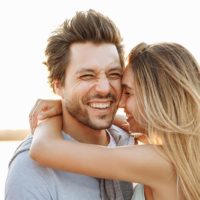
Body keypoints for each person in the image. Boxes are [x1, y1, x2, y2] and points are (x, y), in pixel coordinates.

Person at [29, 42, 200, 200]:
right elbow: (125, 123)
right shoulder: (186, 152)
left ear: (156, 99)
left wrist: (50, 118)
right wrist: (68, 106)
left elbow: (43, 149)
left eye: (128, 93)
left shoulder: (158, 161)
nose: (121, 103)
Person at [5, 9, 134, 200]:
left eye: (114, 74)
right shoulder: (31, 168)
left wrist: (63, 108)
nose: (104, 88)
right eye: (87, 76)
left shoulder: (130, 141)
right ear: (58, 85)